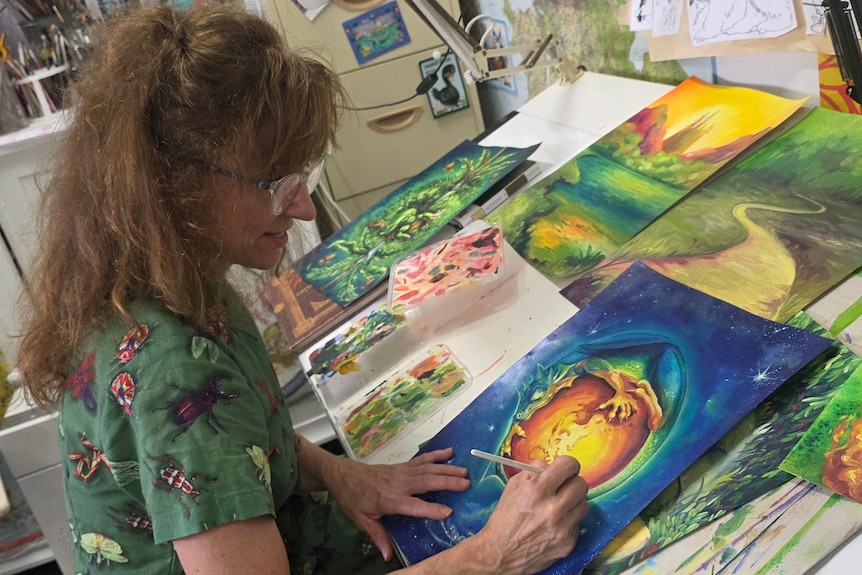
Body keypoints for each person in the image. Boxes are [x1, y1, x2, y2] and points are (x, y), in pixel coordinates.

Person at [15, 4, 589, 574]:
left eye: (303, 174)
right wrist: (494, 556)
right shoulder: (173, 371)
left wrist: (341, 473)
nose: (305, 207)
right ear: (177, 187)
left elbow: (247, 440)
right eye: (278, 183)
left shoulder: (179, 273)